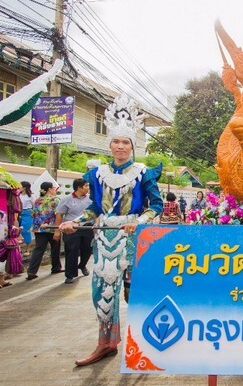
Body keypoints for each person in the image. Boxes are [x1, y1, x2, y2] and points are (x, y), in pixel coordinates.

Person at [59, 94, 163, 366]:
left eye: (125, 142)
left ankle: (145, 344)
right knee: (101, 294)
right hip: (104, 239)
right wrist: (77, 222)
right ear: (110, 144)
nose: (120, 146)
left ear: (132, 145)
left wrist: (139, 222)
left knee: (136, 292)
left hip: (133, 239)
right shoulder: (97, 174)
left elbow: (157, 206)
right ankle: (105, 343)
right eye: (116, 141)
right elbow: (94, 207)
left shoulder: (144, 172)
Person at [55, 178, 93, 284]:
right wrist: (57, 231)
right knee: (72, 251)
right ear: (79, 188)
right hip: (71, 228)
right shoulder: (67, 199)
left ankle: (82, 265)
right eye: (86, 186)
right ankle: (70, 274)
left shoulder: (91, 199)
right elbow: (59, 215)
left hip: (87, 227)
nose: (88, 188)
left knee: (88, 249)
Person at [26, 181, 62, 280]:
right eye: (54, 188)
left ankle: (31, 271)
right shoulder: (56, 200)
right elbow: (59, 214)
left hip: (39, 228)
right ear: (50, 189)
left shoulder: (37, 200)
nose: (55, 189)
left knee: (38, 249)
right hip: (52, 228)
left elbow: (33, 214)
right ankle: (56, 267)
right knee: (55, 248)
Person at [18, 181, 35, 256]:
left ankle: (28, 249)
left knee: (26, 231)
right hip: (19, 213)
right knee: (17, 230)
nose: (19, 187)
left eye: (20, 186)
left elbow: (34, 205)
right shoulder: (18, 195)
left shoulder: (31, 196)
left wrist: (33, 214)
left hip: (27, 213)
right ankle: (18, 248)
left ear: (24, 187)